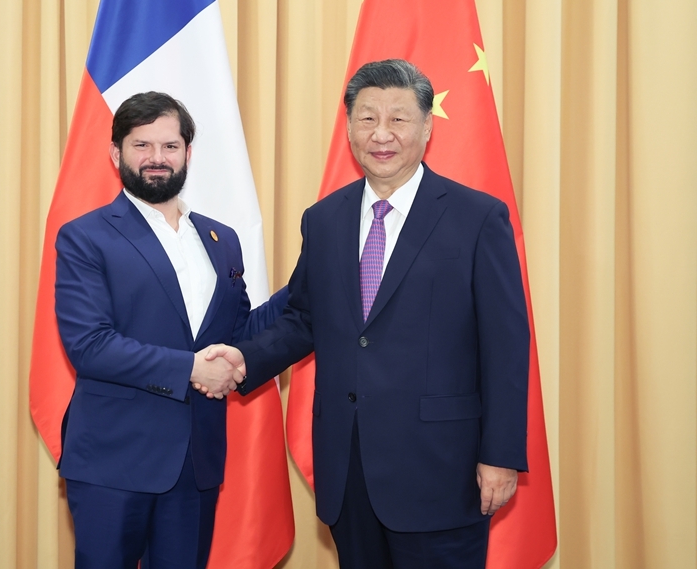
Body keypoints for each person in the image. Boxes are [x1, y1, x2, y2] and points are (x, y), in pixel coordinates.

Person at [203, 59, 530, 568]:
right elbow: (304, 317)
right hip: (349, 468)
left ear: (427, 126)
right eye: (368, 118)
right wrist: (243, 361)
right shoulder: (324, 219)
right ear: (350, 127)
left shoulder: (478, 218)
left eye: (399, 118)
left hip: (443, 469)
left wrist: (501, 454)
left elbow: (506, 345)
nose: (382, 134)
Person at [54, 91, 287, 569]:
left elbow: (237, 333)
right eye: (142, 145)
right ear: (116, 153)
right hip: (112, 463)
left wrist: (307, 285)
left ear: (188, 153)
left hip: (195, 463)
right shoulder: (84, 236)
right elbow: (90, 346)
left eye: (170, 146)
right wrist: (191, 369)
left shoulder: (222, 240)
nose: (156, 158)